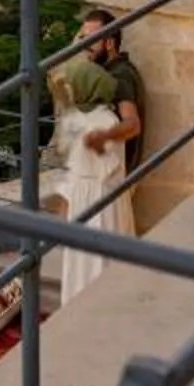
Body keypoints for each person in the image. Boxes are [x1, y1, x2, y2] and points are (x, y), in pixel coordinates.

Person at [47, 54, 133, 306]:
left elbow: (101, 164)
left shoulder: (106, 121)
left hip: (98, 194)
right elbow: (77, 165)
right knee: (84, 259)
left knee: (98, 258)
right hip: (91, 194)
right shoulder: (83, 119)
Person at [82, 7, 145, 175]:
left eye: (91, 40)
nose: (84, 46)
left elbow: (133, 124)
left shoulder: (118, 76)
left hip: (113, 173)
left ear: (109, 43)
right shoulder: (111, 70)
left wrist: (102, 137)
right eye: (83, 39)